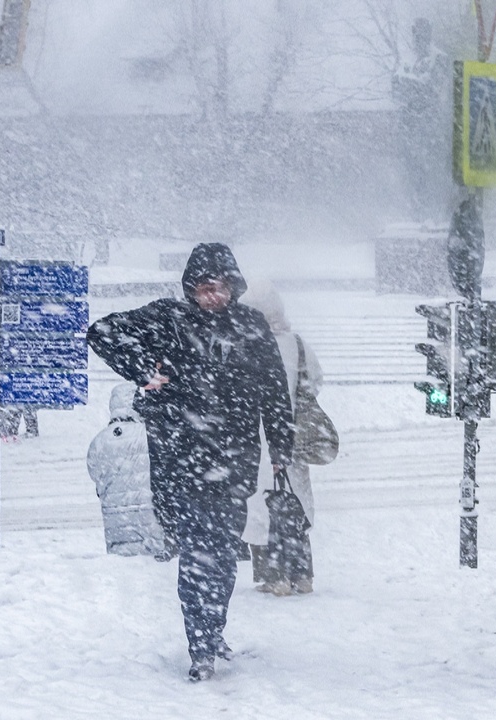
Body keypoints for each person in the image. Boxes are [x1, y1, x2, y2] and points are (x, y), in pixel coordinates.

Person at [87, 243, 294, 682]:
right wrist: (143, 369)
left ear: (233, 286)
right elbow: (101, 332)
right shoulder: (168, 318)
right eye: (202, 288)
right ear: (190, 289)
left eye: (218, 287)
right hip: (181, 460)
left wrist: (280, 448)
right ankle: (199, 645)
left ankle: (213, 628)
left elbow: (275, 390)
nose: (211, 296)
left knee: (222, 555)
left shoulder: (251, 325)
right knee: (196, 555)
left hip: (234, 461)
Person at [241, 282, 324, 596]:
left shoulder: (245, 345)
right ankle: (303, 575)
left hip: (257, 437)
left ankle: (273, 577)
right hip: (294, 436)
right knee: (295, 504)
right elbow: (314, 381)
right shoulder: (297, 344)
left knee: (262, 509)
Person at [86, 383, 167, 557]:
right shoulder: (149, 433)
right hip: (149, 521)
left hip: (116, 523)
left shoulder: (98, 442)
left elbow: (94, 474)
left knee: (121, 570)